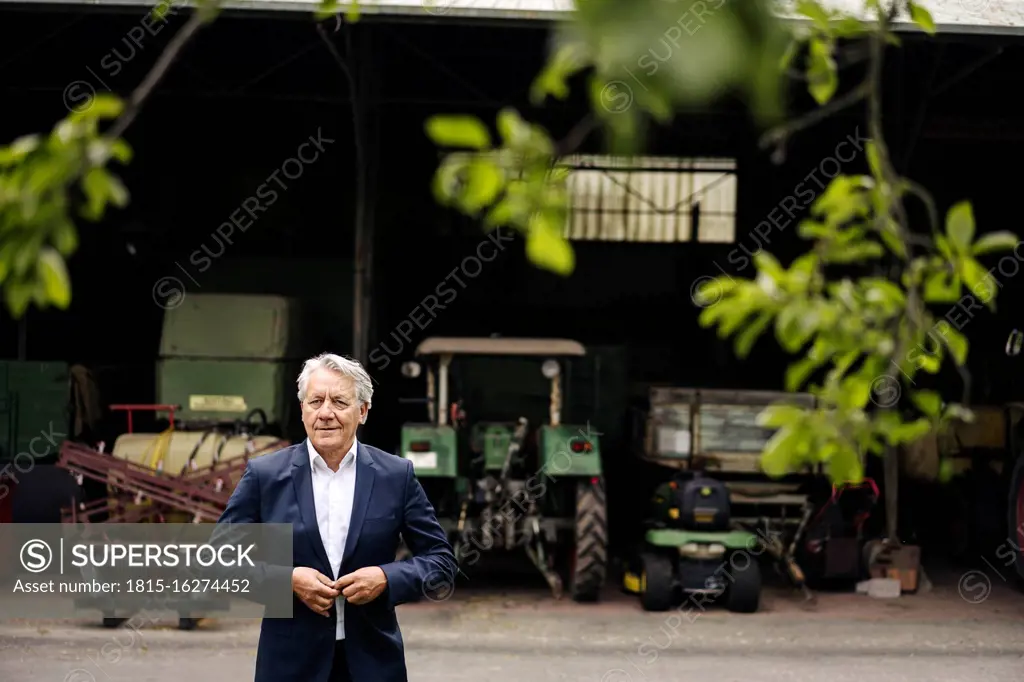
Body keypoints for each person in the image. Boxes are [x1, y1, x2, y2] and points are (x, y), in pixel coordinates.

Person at [217, 352, 458, 682]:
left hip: (373, 664)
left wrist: (387, 578)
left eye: (339, 402)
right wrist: (285, 581)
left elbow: (441, 562)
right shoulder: (265, 476)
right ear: (302, 409)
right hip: (289, 666)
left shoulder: (395, 476)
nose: (325, 413)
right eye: (315, 401)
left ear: (363, 411)